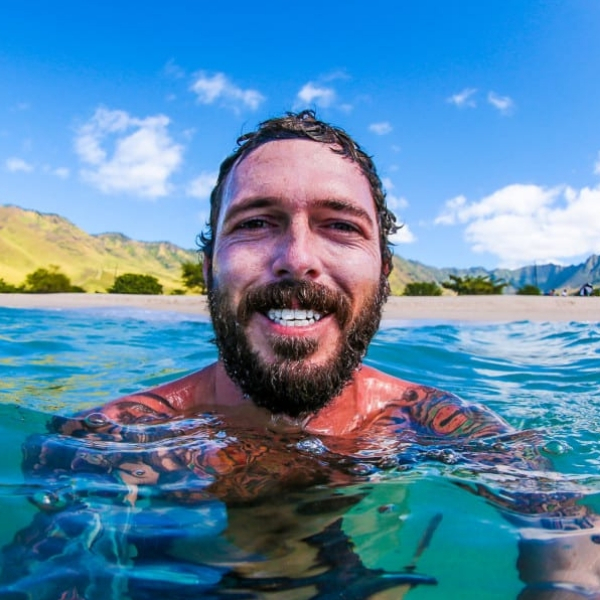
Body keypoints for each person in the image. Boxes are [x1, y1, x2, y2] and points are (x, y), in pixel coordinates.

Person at [3, 111, 599, 598]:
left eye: (340, 226)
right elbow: (50, 574)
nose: (297, 258)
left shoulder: (441, 425)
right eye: (256, 222)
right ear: (208, 270)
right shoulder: (112, 438)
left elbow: (575, 557)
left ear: (383, 274)